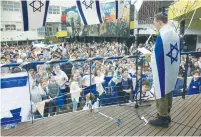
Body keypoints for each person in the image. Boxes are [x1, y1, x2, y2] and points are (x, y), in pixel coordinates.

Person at [149, 12, 180, 128]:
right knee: (169, 89)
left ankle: (162, 117)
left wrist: (149, 57)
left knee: (161, 90)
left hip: (162, 67)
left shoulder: (163, 34)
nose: (155, 26)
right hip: (171, 66)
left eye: (155, 23)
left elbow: (158, 54)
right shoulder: (174, 33)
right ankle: (167, 113)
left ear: (159, 22)